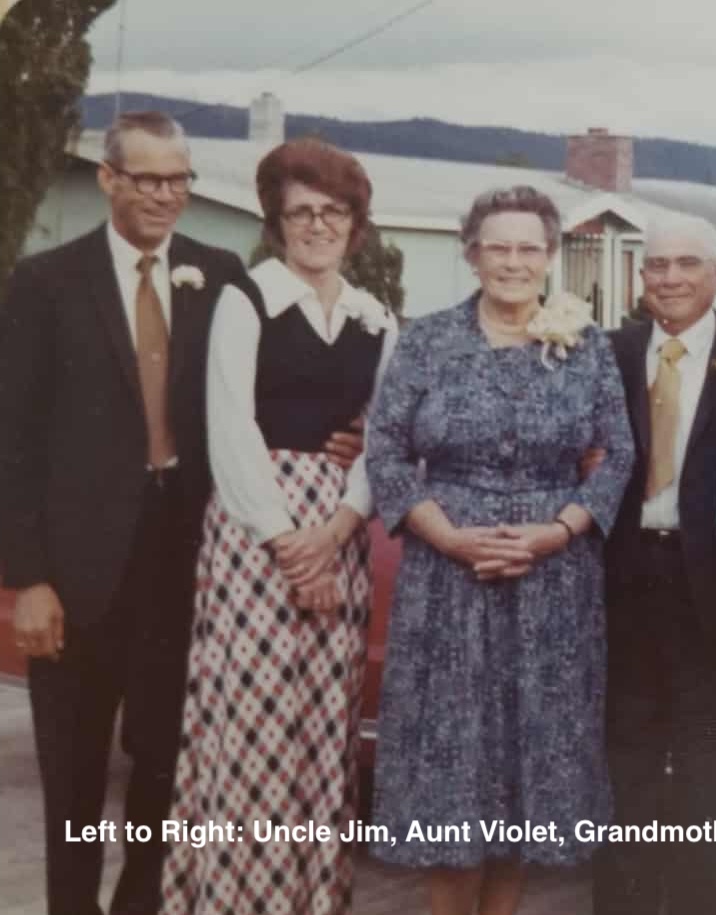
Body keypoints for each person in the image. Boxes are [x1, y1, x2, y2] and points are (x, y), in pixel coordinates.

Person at [0, 112, 362, 915]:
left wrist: (352, 428)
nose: (166, 196)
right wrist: (26, 578)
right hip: (78, 565)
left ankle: (139, 904)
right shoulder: (45, 281)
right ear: (108, 179)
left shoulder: (220, 273)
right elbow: (11, 440)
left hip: (189, 557)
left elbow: (265, 392)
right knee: (74, 767)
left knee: (167, 759)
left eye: (179, 180)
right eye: (148, 179)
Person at [365, 185, 633, 915]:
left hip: (552, 587)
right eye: (498, 246)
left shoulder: (586, 345)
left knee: (523, 770)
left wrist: (561, 529)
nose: (513, 262)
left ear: (550, 257)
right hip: (447, 585)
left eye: (529, 248)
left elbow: (617, 454)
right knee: (454, 771)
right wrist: (446, 533)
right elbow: (384, 450)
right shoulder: (427, 341)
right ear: (472, 253)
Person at [159, 137, 397, 914]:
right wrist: (289, 542)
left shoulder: (376, 318)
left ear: (356, 224)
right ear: (276, 221)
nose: (318, 226)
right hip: (257, 535)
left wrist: (336, 530)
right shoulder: (247, 298)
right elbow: (229, 426)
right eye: (301, 212)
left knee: (324, 732)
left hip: (340, 529)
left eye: (333, 212)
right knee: (256, 729)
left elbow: (382, 438)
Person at [592, 215, 716, 915]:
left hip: (714, 591)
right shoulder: (605, 352)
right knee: (625, 770)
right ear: (640, 277)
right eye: (656, 264)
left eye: (688, 263)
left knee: (713, 775)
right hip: (624, 585)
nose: (670, 277)